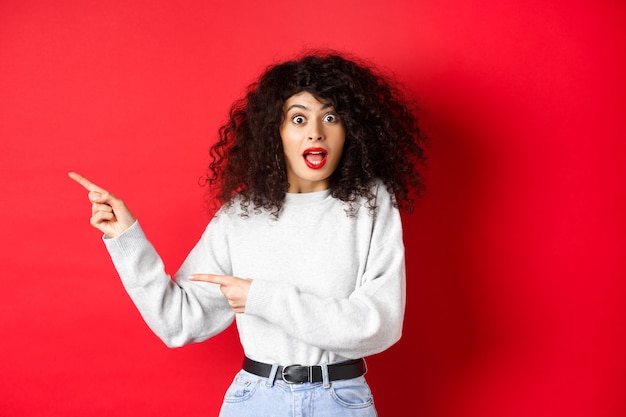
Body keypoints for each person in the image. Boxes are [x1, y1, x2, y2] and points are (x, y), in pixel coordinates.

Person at [69, 51, 426, 417]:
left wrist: (261, 298)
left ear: (350, 128)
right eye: (298, 119)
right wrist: (127, 238)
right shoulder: (241, 215)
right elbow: (177, 323)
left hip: (341, 400)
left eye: (330, 117)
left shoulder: (370, 204)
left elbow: (378, 325)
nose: (315, 131)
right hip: (257, 401)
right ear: (276, 132)